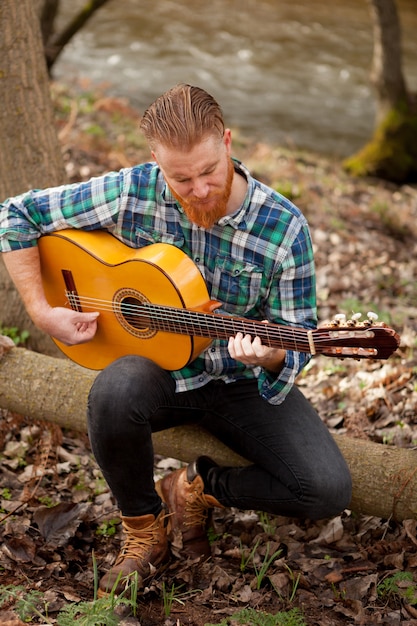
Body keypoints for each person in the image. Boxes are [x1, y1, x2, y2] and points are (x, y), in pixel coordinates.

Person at [0, 83, 351, 597]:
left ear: (227, 142)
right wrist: (41, 310)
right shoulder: (132, 191)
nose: (199, 190)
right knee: (115, 390)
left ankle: (197, 489)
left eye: (209, 171)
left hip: (238, 382)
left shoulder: (283, 229)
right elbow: (15, 215)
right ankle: (143, 531)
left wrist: (271, 354)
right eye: (180, 178)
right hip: (154, 371)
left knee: (324, 488)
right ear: (155, 161)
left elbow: (295, 338)